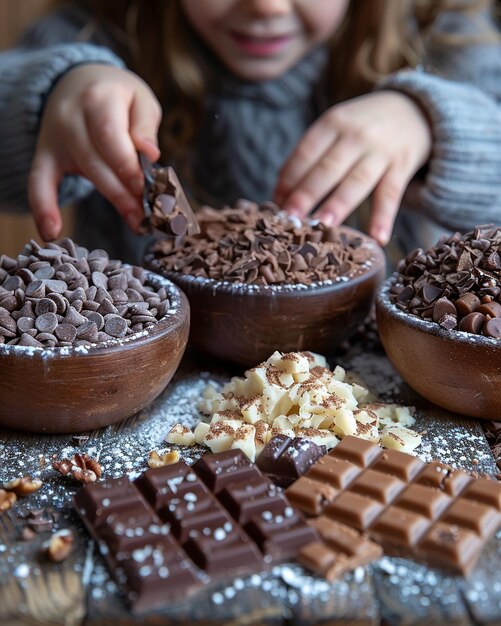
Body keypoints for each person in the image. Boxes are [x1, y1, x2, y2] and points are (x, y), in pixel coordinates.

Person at [0, 0, 500, 264]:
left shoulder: (439, 33)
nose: (267, 6)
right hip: (141, 387)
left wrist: (433, 126)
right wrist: (51, 95)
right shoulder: (98, 26)